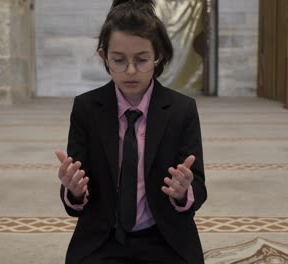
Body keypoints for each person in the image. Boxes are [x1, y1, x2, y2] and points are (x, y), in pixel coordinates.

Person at [54, 0, 207, 263]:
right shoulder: (87, 109)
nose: (131, 71)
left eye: (142, 59)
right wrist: (74, 190)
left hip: (164, 237)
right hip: (103, 237)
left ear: (157, 55)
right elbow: (76, 199)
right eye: (119, 60)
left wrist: (183, 192)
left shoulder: (182, 110)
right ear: (104, 56)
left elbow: (199, 188)